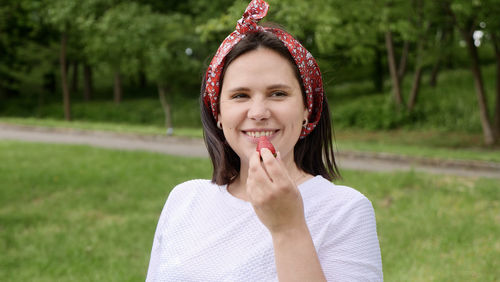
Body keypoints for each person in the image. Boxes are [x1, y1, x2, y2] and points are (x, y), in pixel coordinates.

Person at [146, 0, 383, 281]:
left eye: (278, 94)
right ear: (218, 113)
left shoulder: (345, 211)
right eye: (240, 95)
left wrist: (288, 227)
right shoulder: (184, 200)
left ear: (308, 108)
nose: (258, 113)